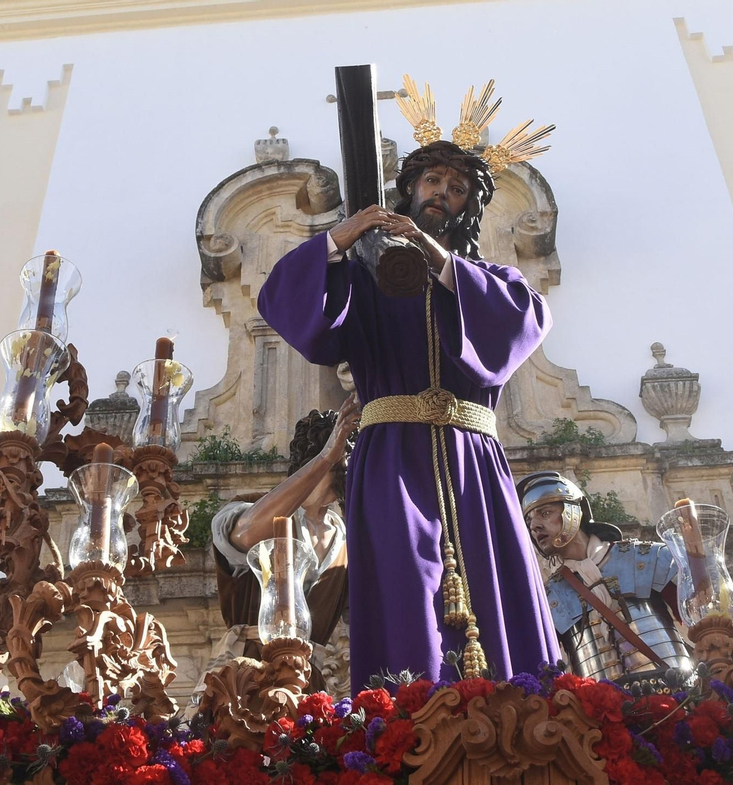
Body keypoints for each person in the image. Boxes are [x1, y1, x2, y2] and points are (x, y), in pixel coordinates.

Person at [258, 139, 559, 686]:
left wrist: (432, 253)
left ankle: (520, 707)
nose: (443, 194)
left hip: (473, 461)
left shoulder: (490, 282)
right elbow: (287, 302)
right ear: (411, 190)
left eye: (458, 188)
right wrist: (336, 241)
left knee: (493, 581)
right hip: (391, 456)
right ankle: (406, 717)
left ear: (469, 207)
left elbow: (523, 321)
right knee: (404, 583)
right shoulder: (364, 282)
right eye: (433, 182)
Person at [521, 471, 733, 690]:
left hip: (677, 697)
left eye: (545, 513)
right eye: (530, 520)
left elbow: (722, 623)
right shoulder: (548, 597)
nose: (535, 526)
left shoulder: (643, 558)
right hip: (600, 722)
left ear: (573, 511)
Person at [204, 398, 360, 687]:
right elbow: (245, 535)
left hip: (308, 684)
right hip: (249, 679)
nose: (347, 466)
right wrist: (327, 457)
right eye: (343, 456)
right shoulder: (249, 508)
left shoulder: (347, 542)